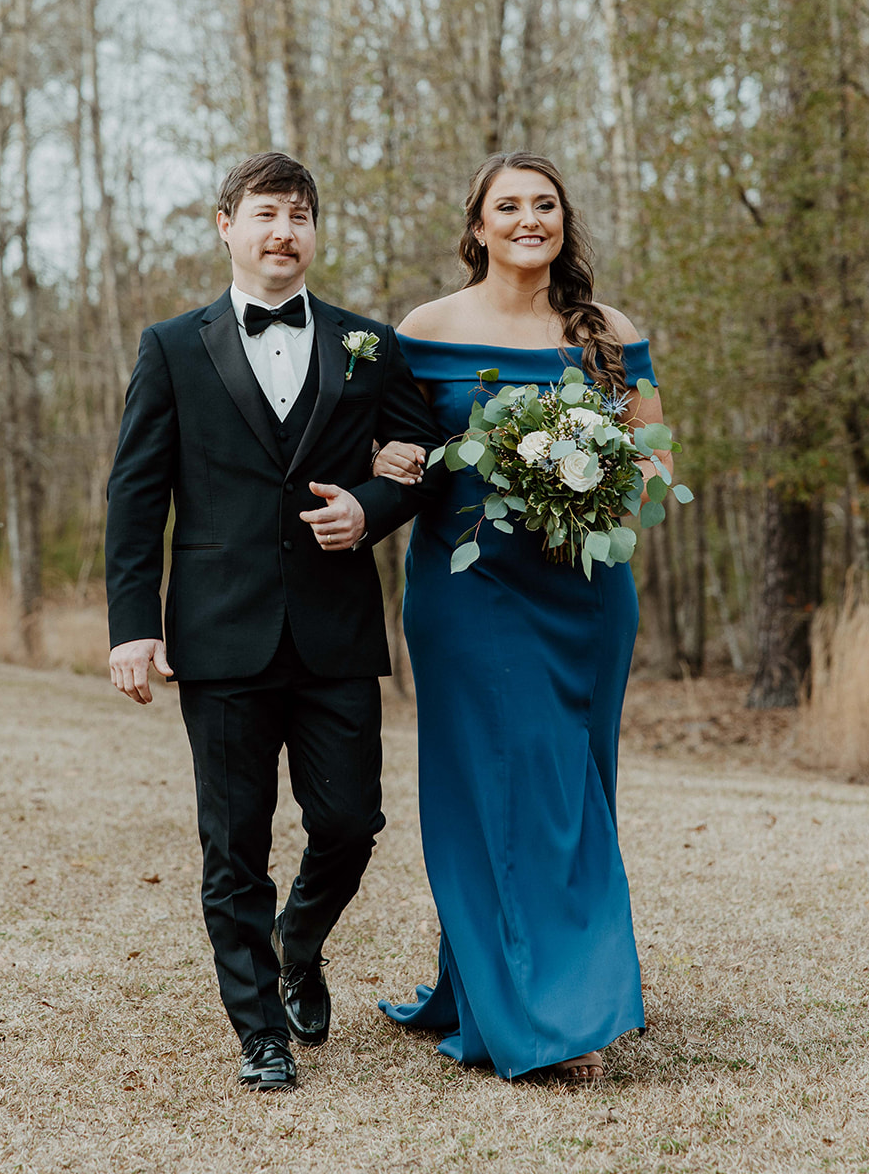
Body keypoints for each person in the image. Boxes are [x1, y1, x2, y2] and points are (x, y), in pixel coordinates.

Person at [105, 152, 441, 1094]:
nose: (282, 230)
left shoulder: (367, 344)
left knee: (349, 820)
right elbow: (135, 495)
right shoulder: (172, 345)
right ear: (226, 226)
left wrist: (370, 508)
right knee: (233, 843)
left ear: (315, 232)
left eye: (299, 215)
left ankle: (300, 940)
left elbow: (422, 457)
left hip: (334, 629)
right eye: (264, 213)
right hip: (218, 634)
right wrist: (132, 626)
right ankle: (260, 1034)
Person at [372, 152, 671, 1085]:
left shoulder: (608, 333)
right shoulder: (424, 329)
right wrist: (390, 472)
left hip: (583, 595)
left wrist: (591, 488)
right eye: (509, 206)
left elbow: (652, 466)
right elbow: (393, 457)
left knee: (569, 790)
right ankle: (543, 1020)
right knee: (494, 787)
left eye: (544, 204)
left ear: (563, 222)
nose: (527, 218)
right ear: (477, 227)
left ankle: (544, 981)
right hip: (468, 596)